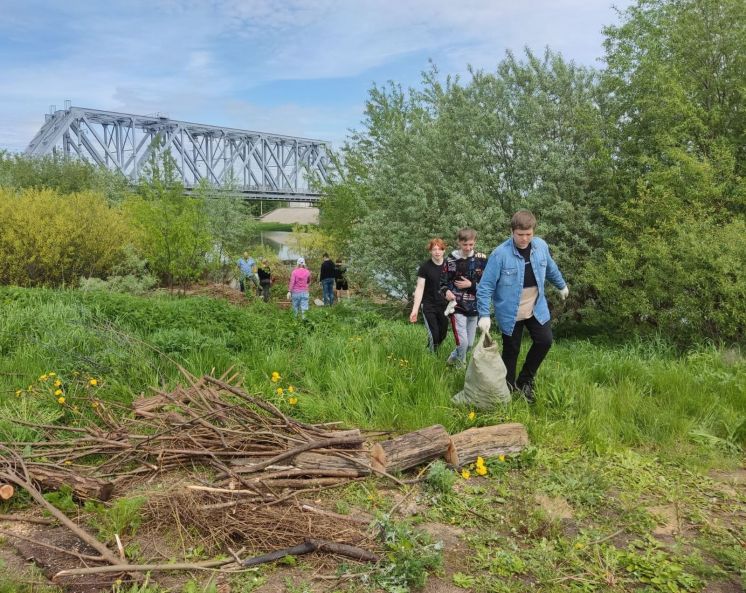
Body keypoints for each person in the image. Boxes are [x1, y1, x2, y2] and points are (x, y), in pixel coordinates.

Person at [476, 210, 569, 403]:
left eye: (528, 234)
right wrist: (484, 314)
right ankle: (508, 389)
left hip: (536, 306)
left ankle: (525, 381)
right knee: (512, 350)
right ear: (512, 231)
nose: (524, 239)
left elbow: (550, 267)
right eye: (520, 234)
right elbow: (485, 287)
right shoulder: (500, 254)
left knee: (545, 341)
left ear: (533, 231)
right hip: (510, 312)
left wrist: (561, 285)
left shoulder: (541, 246)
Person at [441, 228, 487, 366]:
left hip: (474, 307)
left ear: (475, 242)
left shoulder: (481, 260)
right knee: (463, 342)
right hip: (457, 306)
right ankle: (461, 368)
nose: (468, 248)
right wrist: (446, 292)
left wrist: (471, 284)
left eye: (471, 245)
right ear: (459, 243)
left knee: (470, 344)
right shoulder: (450, 260)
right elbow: (442, 283)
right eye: (465, 244)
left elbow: (487, 284)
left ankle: (452, 359)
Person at [409, 238, 449, 352]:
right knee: (434, 335)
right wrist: (415, 310)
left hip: (444, 306)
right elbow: (420, 288)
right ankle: (431, 358)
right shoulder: (425, 267)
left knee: (443, 333)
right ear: (430, 251)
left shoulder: (449, 265)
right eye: (434, 249)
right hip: (429, 305)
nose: (437, 252)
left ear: (444, 250)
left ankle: (430, 350)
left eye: (440, 249)